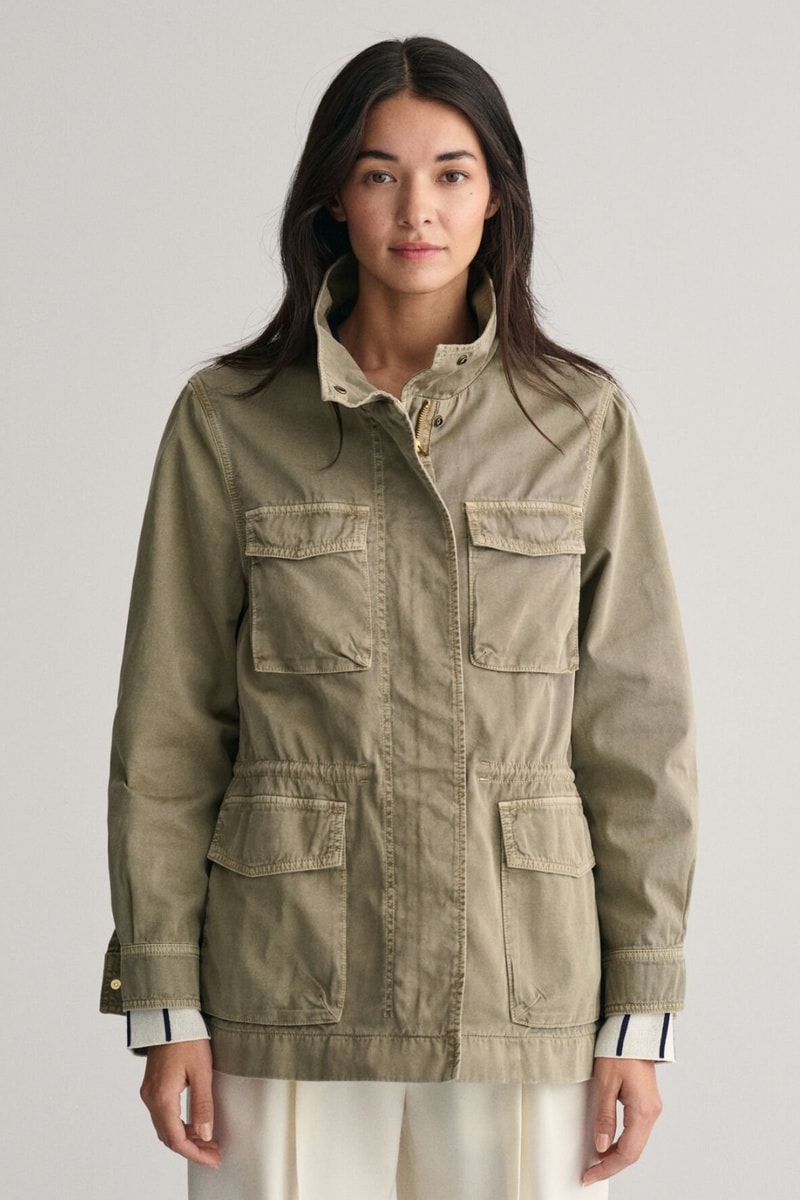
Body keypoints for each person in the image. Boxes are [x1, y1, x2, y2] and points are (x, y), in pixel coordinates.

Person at [101, 36, 698, 1200]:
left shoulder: (576, 422)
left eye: (450, 173)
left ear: (495, 196)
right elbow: (168, 729)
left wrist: (639, 1010)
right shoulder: (230, 418)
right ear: (334, 195)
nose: (415, 209)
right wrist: (165, 998)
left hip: (518, 989)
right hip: (284, 987)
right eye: (379, 173)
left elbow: (639, 735)